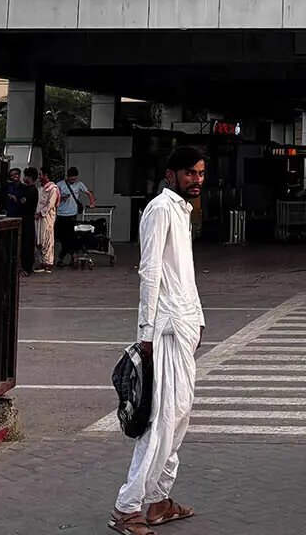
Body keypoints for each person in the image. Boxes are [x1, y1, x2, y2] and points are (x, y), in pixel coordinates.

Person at [109, 146, 207, 534]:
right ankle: (127, 507)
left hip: (183, 325)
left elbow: (184, 274)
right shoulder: (160, 209)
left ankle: (159, 501)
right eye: (190, 173)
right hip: (164, 328)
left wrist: (198, 319)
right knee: (163, 420)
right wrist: (145, 333)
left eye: (201, 173)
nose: (197, 180)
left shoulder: (182, 211)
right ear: (172, 175)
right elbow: (150, 272)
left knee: (178, 416)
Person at [56, 166, 90, 267]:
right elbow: (54, 198)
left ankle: (66, 257)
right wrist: (62, 197)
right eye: (71, 179)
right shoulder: (59, 185)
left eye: (74, 179)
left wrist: (92, 203)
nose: (73, 181)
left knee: (70, 237)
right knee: (61, 237)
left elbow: (89, 193)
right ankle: (67, 256)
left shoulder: (79, 184)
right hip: (61, 214)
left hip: (72, 215)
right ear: (67, 177)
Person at [35, 170, 60, 274]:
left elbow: (50, 204)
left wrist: (41, 213)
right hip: (38, 217)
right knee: (39, 240)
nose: (39, 177)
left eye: (41, 174)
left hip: (47, 217)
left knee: (47, 239)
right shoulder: (40, 189)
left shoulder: (53, 189)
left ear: (46, 175)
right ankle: (42, 263)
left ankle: (48, 264)